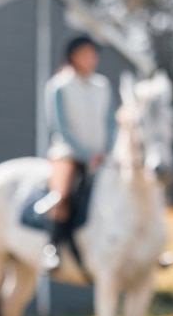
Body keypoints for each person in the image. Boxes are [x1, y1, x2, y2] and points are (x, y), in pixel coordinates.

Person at [41, 33, 117, 269]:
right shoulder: (58, 85)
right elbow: (60, 127)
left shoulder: (102, 85)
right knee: (62, 194)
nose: (91, 59)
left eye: (93, 55)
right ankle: (53, 245)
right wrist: (85, 155)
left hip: (102, 155)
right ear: (73, 57)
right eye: (85, 54)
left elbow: (110, 123)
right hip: (68, 154)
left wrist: (106, 151)